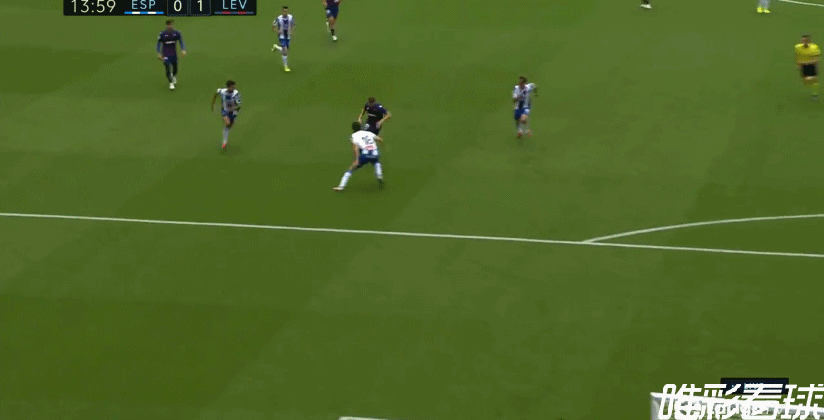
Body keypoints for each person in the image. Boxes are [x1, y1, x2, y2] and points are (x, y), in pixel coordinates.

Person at [333, 122, 384, 191]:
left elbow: (355, 148)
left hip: (365, 154)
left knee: (351, 168)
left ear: (353, 129)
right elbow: (379, 139)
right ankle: (379, 175)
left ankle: (341, 186)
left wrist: (357, 159)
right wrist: (381, 145)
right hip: (375, 152)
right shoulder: (368, 133)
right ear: (360, 127)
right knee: (376, 161)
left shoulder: (354, 136)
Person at [210, 80, 242, 151]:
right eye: (232, 87)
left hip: (233, 111)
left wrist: (234, 108)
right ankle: (224, 142)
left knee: (229, 126)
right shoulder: (222, 91)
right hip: (225, 110)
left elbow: (238, 105)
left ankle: (225, 140)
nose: (234, 88)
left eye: (234, 87)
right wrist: (213, 104)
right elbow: (216, 94)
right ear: (228, 87)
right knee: (227, 123)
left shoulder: (236, 93)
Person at [156, 20, 187, 90]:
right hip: (165, 54)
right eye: (169, 25)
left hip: (173, 53)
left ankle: (173, 76)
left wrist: (183, 49)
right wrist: (158, 53)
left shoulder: (177, 33)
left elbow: (181, 41)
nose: (170, 26)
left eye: (171, 25)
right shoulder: (162, 34)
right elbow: (158, 43)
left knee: (175, 68)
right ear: (167, 26)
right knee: (167, 68)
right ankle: (171, 83)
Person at [795, 35, 820, 100]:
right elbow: (797, 56)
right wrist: (798, 64)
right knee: (806, 81)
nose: (805, 42)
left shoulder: (814, 47)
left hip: (812, 64)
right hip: (803, 65)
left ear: (810, 41)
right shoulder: (797, 47)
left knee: (815, 80)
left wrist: (808, 62)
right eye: (803, 41)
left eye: (806, 41)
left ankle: (815, 95)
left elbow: (817, 58)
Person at [272, 6, 296, 72]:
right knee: (285, 51)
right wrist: (278, 31)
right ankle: (286, 66)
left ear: (288, 11)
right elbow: (273, 26)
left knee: (285, 50)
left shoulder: (291, 17)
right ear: (282, 11)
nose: (285, 12)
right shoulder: (278, 18)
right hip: (282, 36)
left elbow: (294, 25)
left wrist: (292, 31)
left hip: (288, 36)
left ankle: (276, 47)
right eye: (284, 11)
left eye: (286, 11)